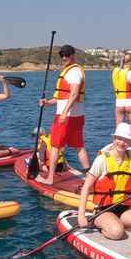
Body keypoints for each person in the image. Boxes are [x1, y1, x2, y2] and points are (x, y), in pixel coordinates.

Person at [76, 122, 131, 240]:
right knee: (116, 233)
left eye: (126, 140)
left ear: (130, 143)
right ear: (114, 138)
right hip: (103, 210)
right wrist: (81, 215)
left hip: (124, 208)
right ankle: (101, 223)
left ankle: (119, 225)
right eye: (119, 138)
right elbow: (86, 188)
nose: (122, 142)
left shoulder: (130, 158)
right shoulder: (102, 160)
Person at [38, 44, 88, 185]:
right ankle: (89, 177)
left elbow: (74, 93)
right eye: (62, 55)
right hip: (76, 116)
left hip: (65, 117)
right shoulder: (72, 71)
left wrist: (64, 113)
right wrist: (47, 102)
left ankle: (50, 179)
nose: (64, 57)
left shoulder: (73, 72)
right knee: (79, 146)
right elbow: (62, 97)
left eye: (67, 55)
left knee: (55, 145)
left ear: (73, 55)